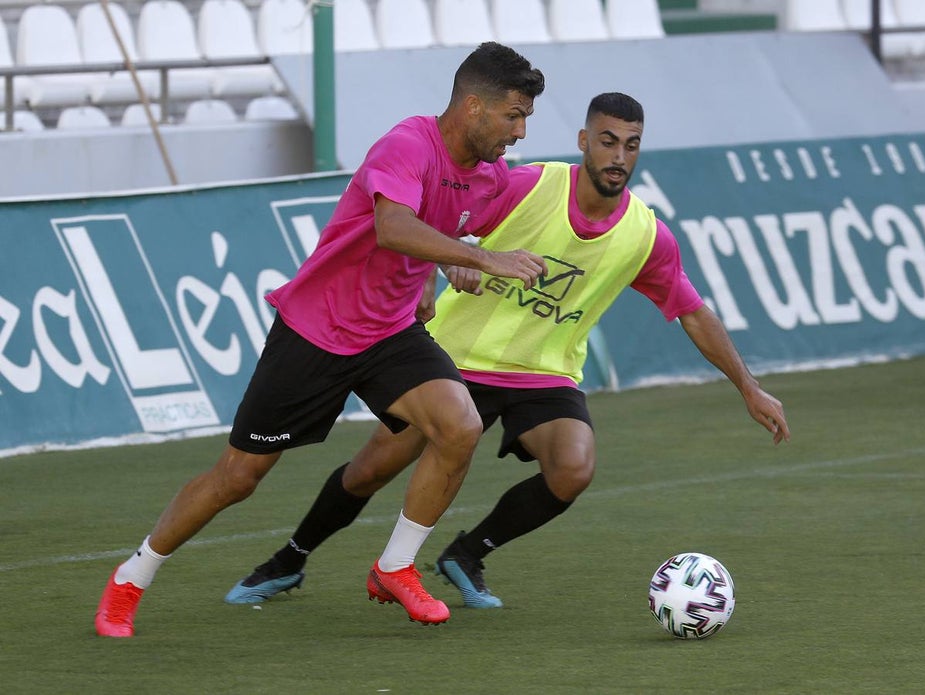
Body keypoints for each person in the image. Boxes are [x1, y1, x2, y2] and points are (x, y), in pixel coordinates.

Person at [224, 92, 790, 610]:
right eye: (609, 141)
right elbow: (434, 220)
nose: (619, 156)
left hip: (544, 375)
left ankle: (466, 554)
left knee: (574, 468)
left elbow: (692, 310)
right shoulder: (528, 186)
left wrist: (747, 385)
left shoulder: (646, 235)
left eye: (632, 145)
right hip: (455, 358)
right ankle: (291, 557)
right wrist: (444, 266)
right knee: (371, 471)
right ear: (584, 142)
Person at [93, 42, 548, 637]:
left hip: (389, 334)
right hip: (316, 330)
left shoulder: (491, 177)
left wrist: (445, 270)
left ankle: (395, 566)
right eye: (513, 115)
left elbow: (443, 230)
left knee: (458, 425)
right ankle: (131, 577)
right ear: (471, 106)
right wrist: (480, 258)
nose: (519, 131)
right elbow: (394, 226)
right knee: (237, 479)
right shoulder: (408, 143)